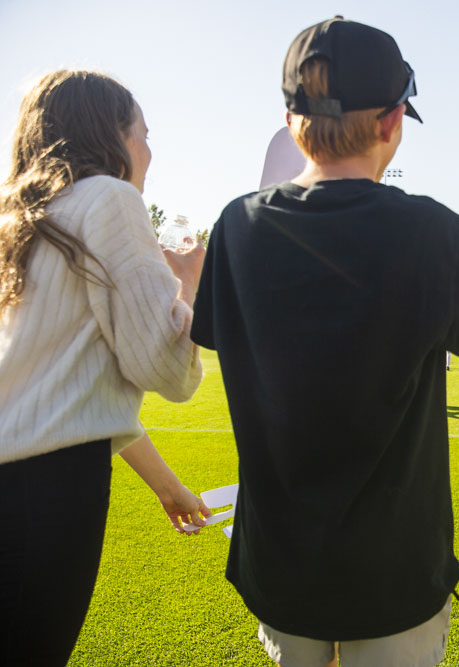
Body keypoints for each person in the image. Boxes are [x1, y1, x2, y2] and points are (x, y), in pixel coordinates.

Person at [190, 18, 459, 667]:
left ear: (290, 121)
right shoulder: (429, 232)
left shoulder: (235, 226)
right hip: (394, 571)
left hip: (281, 565)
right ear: (393, 122)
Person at [0, 70, 209, 665]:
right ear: (110, 135)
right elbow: (165, 369)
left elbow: (60, 393)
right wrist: (187, 287)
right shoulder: (112, 199)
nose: (149, 148)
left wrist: (167, 486)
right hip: (49, 494)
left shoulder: (19, 217)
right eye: (142, 132)